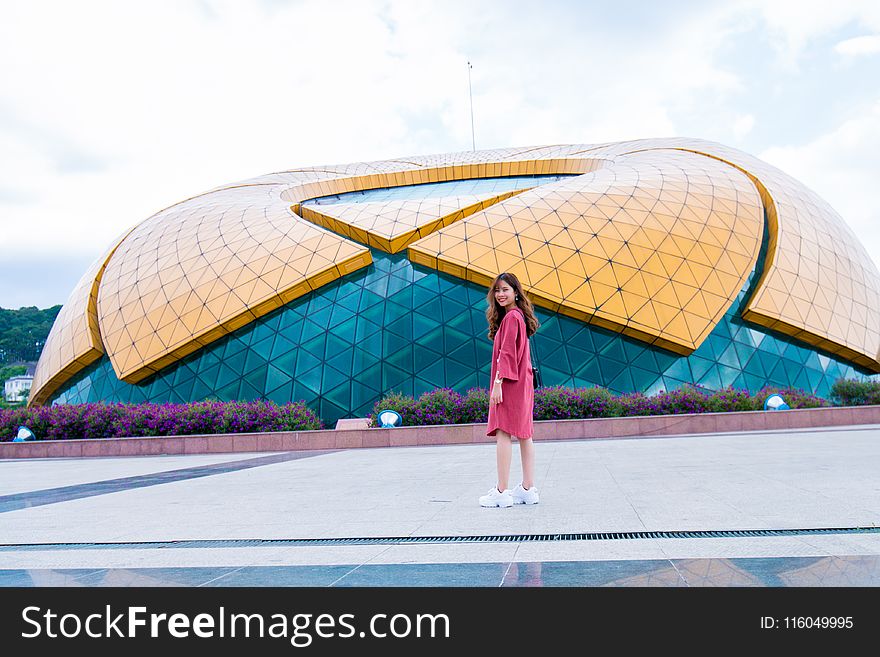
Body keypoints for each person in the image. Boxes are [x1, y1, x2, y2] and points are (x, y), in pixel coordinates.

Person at [479, 272, 540, 508]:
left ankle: (502, 491)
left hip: (509, 384)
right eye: (497, 290)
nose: (501, 294)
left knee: (504, 433)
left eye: (505, 289)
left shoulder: (512, 318)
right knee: (525, 433)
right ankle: (527, 488)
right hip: (521, 383)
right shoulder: (519, 316)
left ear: (516, 292)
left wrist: (497, 384)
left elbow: (506, 354)